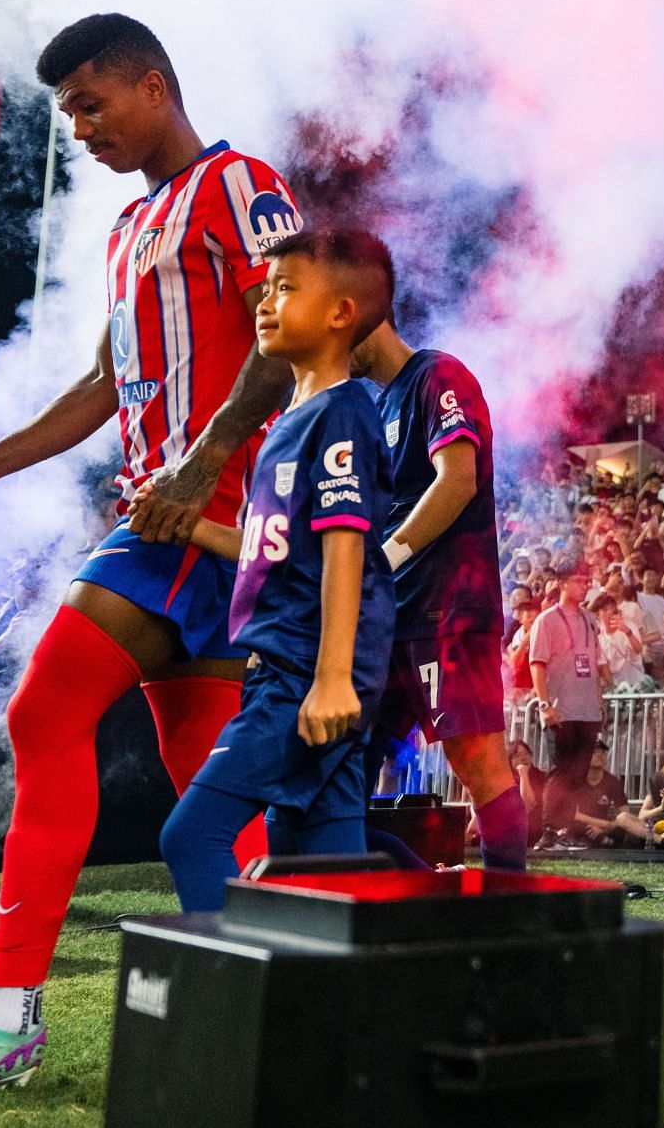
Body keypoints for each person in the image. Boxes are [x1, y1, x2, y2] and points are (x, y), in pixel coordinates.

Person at [0, 14, 300, 1105]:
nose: (81, 128)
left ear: (153, 86)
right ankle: (285, 988)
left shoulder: (240, 182)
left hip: (205, 515)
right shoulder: (133, 227)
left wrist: (204, 464)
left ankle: (4, 1014)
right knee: (202, 775)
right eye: (68, 114)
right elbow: (104, 385)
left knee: (45, 713)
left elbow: (294, 334)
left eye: (94, 104)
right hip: (188, 518)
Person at [156, 230, 396, 909]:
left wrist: (331, 678)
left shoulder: (343, 412)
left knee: (191, 836)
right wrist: (192, 527)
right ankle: (345, 1011)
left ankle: (228, 1007)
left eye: (286, 287)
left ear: (341, 314)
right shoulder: (293, 419)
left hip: (301, 677)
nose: (265, 299)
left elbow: (347, 543)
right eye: (266, 286)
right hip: (299, 673)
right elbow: (279, 548)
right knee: (324, 877)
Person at [349, 315, 526, 872]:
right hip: (387, 615)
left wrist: (386, 557)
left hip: (449, 606)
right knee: (343, 772)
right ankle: (420, 890)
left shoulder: (438, 375)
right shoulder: (373, 408)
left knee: (475, 757)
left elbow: (456, 479)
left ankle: (507, 906)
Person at [530, 565, 609, 851]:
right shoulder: (546, 620)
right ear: (562, 584)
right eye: (578, 581)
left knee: (578, 775)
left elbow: (594, 666)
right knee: (561, 772)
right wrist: (544, 704)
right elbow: (537, 665)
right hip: (560, 710)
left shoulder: (590, 619)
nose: (585, 585)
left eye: (588, 580)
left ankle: (569, 832)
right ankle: (549, 832)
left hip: (587, 711)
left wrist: (599, 704)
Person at [566, 741, 630, 848]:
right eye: (594, 752)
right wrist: (604, 824)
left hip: (604, 829)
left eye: (603, 752)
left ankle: (603, 840)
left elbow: (625, 814)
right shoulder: (576, 781)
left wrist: (607, 827)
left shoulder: (612, 781)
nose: (600, 755)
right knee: (575, 825)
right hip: (583, 826)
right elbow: (573, 814)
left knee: (621, 829)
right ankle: (605, 842)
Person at [594, 594, 650, 688]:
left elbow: (638, 649)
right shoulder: (599, 637)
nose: (609, 612)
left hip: (636, 682)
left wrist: (626, 631)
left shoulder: (629, 625)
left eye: (612, 608)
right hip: (616, 685)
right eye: (605, 610)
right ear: (598, 615)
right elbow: (603, 665)